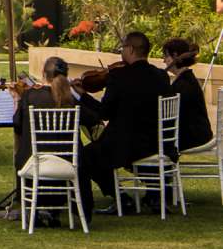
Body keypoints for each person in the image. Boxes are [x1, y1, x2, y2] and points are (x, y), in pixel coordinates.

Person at [77, 30, 168, 205]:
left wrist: (82, 96)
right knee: (98, 151)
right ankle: (154, 193)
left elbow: (104, 113)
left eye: (123, 47)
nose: (121, 52)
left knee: (87, 156)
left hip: (127, 144)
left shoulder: (119, 77)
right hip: (157, 141)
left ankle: (121, 198)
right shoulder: (161, 76)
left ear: (131, 49)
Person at [163, 37, 214, 156]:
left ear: (175, 56)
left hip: (194, 137)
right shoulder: (186, 79)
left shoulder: (184, 83)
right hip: (196, 134)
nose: (164, 60)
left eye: (166, 56)